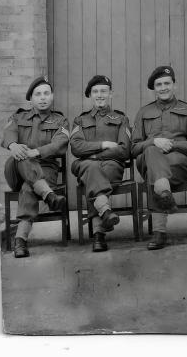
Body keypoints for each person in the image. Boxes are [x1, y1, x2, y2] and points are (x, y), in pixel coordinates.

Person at [132, 66, 187, 250]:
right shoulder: (143, 113)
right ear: (154, 88)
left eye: (167, 83)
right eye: (159, 84)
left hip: (179, 166)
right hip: (150, 161)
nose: (163, 88)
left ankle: (159, 232)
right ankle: (165, 193)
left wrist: (172, 144)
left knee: (154, 171)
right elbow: (133, 149)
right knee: (150, 150)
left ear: (174, 85)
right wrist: (154, 141)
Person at [1, 76, 70, 258]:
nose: (42, 97)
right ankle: (48, 195)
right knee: (21, 155)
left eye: (46, 93)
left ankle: (20, 240)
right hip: (16, 170)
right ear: (31, 98)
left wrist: (37, 152)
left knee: (28, 187)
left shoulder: (60, 121)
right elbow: (8, 133)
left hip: (45, 170)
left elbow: (60, 143)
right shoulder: (18, 116)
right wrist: (13, 146)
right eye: (38, 94)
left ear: (52, 96)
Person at [69, 75, 132, 252]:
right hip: (84, 166)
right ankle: (104, 213)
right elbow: (76, 147)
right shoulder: (80, 120)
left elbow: (124, 150)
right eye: (95, 91)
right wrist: (103, 145)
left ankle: (99, 234)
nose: (100, 95)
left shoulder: (121, 119)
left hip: (110, 166)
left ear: (111, 94)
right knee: (91, 168)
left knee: (93, 172)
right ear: (90, 95)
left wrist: (94, 155)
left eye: (103, 91)